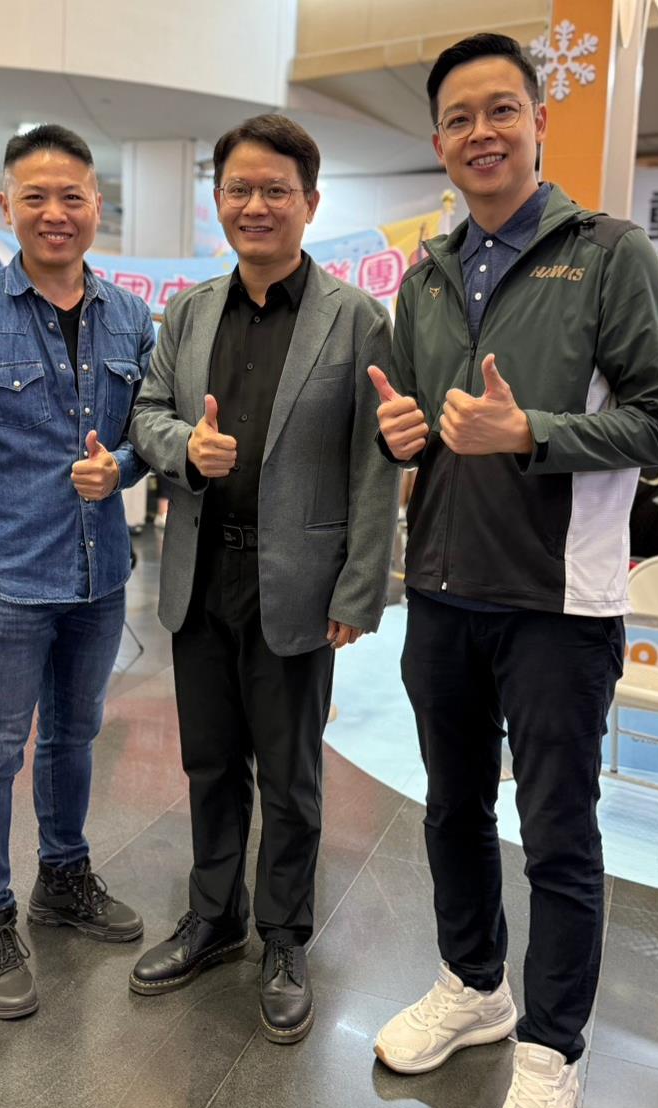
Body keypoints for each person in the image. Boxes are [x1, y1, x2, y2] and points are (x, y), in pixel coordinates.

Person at [370, 34, 658, 1108]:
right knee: (451, 810)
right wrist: (402, 433)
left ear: (539, 122)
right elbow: (422, 425)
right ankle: (474, 987)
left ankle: (551, 1051)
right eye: (459, 118)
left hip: (559, 606)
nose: (481, 133)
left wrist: (532, 433)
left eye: (500, 109)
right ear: (438, 141)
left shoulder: (607, 255)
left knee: (556, 833)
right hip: (442, 590)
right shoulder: (424, 275)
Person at [128, 115, 399, 1044]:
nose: (255, 205)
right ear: (218, 201)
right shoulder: (189, 311)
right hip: (200, 572)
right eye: (239, 189)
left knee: (289, 775)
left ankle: (284, 937)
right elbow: (146, 413)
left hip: (298, 583)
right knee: (208, 762)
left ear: (309, 204)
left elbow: (373, 463)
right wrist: (184, 448)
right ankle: (212, 917)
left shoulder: (355, 318)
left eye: (275, 190)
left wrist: (360, 589)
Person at [0, 124, 153, 1020]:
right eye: (35, 196)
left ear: (96, 207)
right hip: (5, 570)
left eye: (71, 196)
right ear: (7, 205)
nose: (54, 212)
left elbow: (143, 434)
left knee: (74, 736)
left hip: (98, 572)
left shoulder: (130, 317)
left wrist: (123, 467)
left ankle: (63, 876)